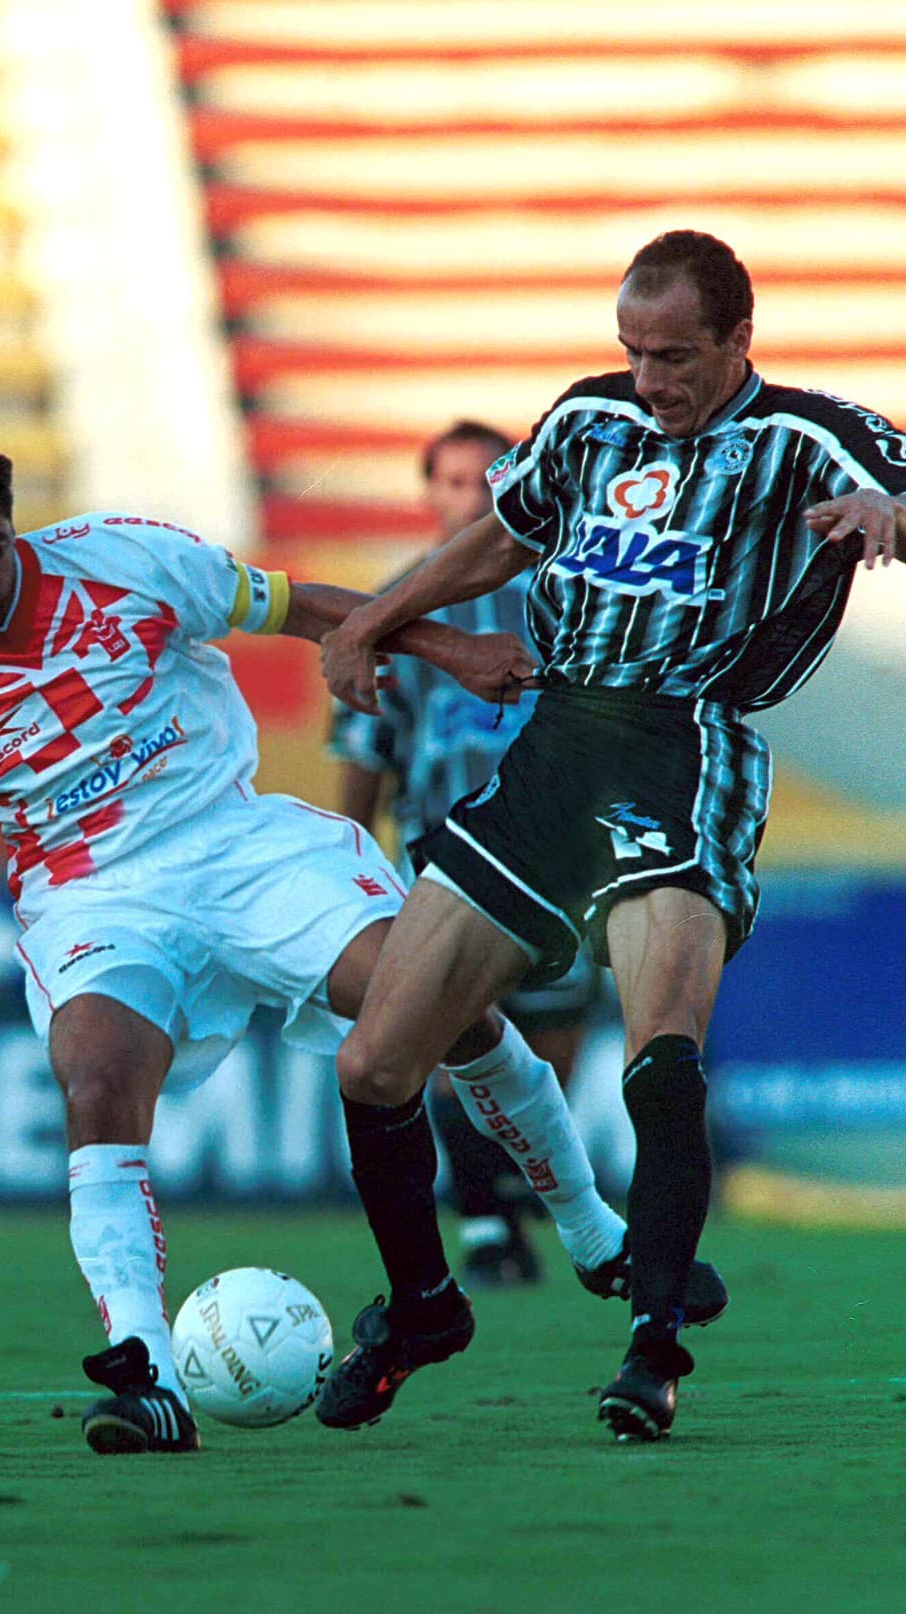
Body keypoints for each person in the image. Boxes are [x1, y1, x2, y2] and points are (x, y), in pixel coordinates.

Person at [0, 429, 722, 1457]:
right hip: (96, 898)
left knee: (444, 1004)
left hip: (240, 841)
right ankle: (147, 1372)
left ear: (10, 524)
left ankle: (589, 1227)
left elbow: (300, 606)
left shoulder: (123, 558)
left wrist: (449, 651)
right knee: (96, 1081)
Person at [319, 230, 906, 1442]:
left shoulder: (803, 435)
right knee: (371, 1064)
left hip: (683, 748)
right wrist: (372, 621)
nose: (648, 378)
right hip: (553, 747)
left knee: (657, 1052)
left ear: (737, 340)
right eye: (631, 350)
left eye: (672, 355)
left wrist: (885, 515)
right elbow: (499, 536)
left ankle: (652, 1345)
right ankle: (421, 1310)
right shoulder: (588, 419)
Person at [330, 419, 618, 1286]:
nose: (467, 498)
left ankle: (513, 1202)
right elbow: (363, 752)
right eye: (450, 481)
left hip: (563, 860)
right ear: (428, 493)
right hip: (443, 857)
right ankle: (486, 1222)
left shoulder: (570, 596)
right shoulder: (392, 608)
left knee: (550, 1052)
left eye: (483, 481)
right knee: (457, 1038)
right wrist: (348, 865)